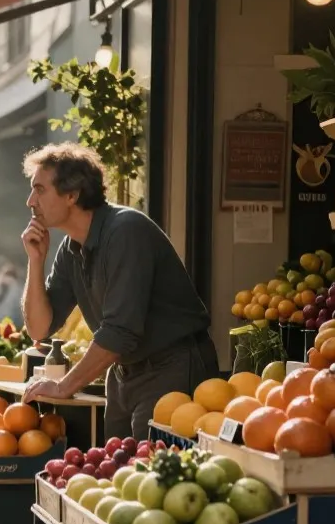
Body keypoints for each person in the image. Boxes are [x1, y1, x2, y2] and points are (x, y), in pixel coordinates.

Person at [21, 142, 217, 439]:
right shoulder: (70, 247)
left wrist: (63, 387)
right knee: (118, 473)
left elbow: (119, 332)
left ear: (72, 195)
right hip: (125, 374)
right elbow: (40, 328)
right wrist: (35, 262)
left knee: (152, 475)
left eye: (40, 189)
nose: (30, 201)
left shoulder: (126, 231)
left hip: (172, 366)